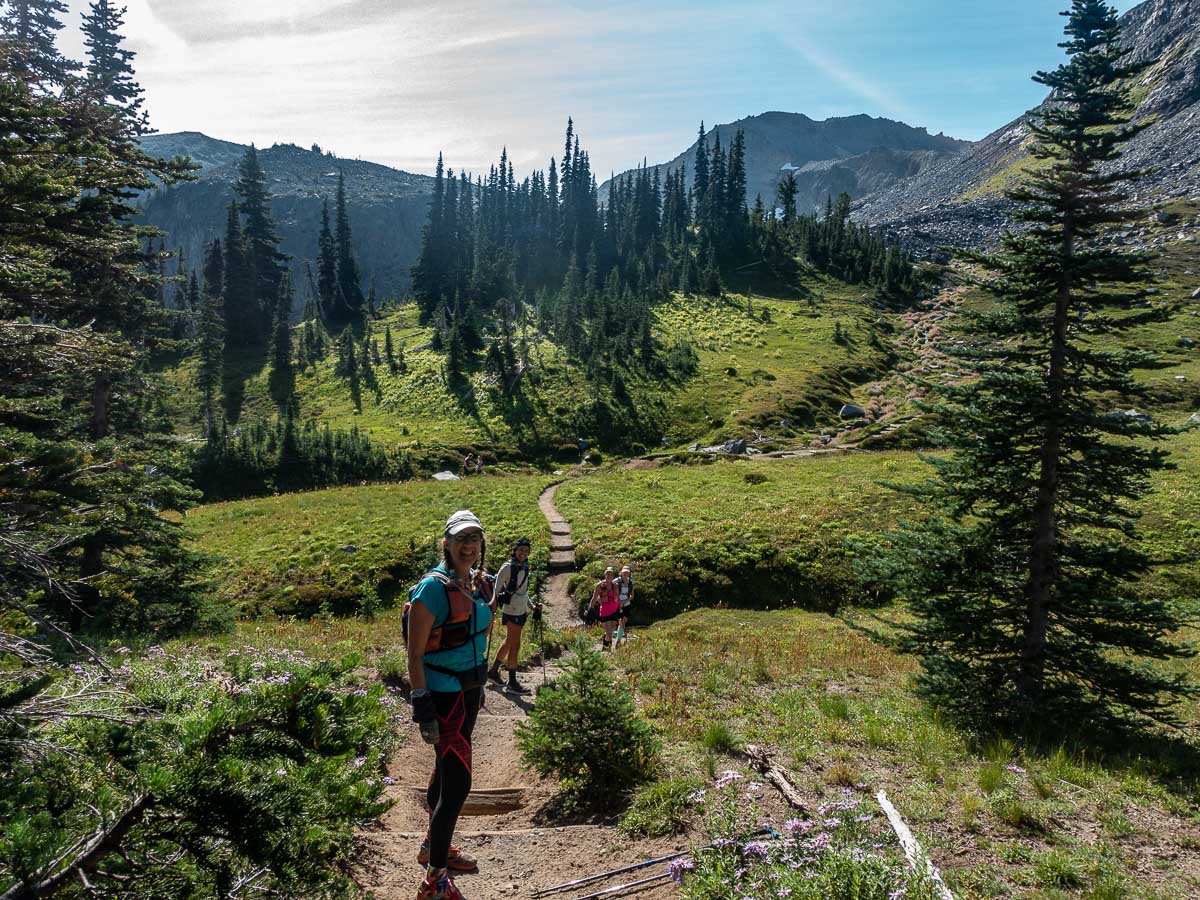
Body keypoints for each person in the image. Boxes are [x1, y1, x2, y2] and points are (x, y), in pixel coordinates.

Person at [407, 510, 494, 900]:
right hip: (443, 694)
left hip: (468, 689)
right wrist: (422, 702)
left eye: (474, 538)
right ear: (446, 543)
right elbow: (414, 655)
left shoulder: (474, 583)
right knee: (458, 785)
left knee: (445, 775)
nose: (468, 545)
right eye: (461, 538)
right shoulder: (432, 589)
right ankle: (434, 882)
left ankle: (432, 846)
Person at [487, 537, 534, 694]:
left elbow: (523, 592)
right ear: (515, 550)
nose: (523, 553)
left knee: (509, 642)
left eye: (526, 551)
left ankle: (493, 671)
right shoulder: (507, 568)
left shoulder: (525, 567)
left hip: (521, 610)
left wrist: (532, 606)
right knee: (515, 645)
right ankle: (512, 683)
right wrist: (492, 607)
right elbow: (496, 588)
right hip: (511, 610)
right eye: (521, 550)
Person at [589, 567, 621, 650]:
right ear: (605, 574)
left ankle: (605, 642)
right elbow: (594, 598)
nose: (609, 575)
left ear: (613, 576)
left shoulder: (615, 585)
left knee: (612, 631)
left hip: (614, 610)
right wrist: (590, 609)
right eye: (607, 573)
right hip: (604, 612)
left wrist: (621, 609)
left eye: (611, 574)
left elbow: (617, 598)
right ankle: (607, 650)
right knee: (609, 634)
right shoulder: (599, 585)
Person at [616, 565, 635, 640]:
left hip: (627, 604)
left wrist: (625, 601)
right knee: (621, 621)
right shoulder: (616, 581)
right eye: (624, 573)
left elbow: (632, 595)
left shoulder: (630, 582)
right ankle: (619, 639)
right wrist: (619, 602)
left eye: (627, 573)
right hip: (618, 604)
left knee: (624, 621)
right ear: (621, 573)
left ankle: (622, 636)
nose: (626, 574)